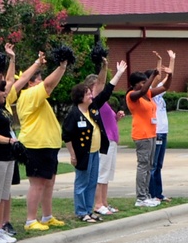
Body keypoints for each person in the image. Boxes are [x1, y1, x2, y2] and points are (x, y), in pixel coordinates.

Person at [0, 44, 38, 243]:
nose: (6, 94)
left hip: (7, 157)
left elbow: (12, 81)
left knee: (3, 195)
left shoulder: (2, 107)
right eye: (3, 92)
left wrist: (12, 59)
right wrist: (12, 141)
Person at [62, 60, 126, 223]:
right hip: (82, 153)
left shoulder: (93, 108)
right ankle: (81, 211)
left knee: (92, 182)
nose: (91, 95)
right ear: (80, 98)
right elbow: (67, 136)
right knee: (82, 182)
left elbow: (106, 91)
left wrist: (117, 73)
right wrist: (72, 154)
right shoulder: (74, 114)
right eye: (88, 94)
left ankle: (89, 210)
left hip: (95, 152)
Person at [15, 50, 69, 231]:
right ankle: (31, 220)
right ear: (29, 82)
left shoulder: (36, 97)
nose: (40, 82)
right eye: (37, 79)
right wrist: (62, 67)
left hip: (48, 144)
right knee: (37, 184)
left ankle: (47, 216)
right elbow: (48, 85)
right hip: (35, 144)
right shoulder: (28, 95)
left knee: (49, 182)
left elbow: (47, 85)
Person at [125, 62, 169, 208]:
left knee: (150, 165)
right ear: (135, 84)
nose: (146, 85)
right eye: (143, 82)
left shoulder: (148, 95)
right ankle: (141, 197)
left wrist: (170, 75)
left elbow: (165, 87)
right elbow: (144, 90)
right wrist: (152, 76)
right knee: (143, 166)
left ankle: (147, 195)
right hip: (141, 135)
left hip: (151, 133)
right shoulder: (132, 95)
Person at [91, 59, 126, 216]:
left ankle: (104, 202)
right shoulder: (94, 101)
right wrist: (113, 71)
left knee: (107, 175)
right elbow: (102, 83)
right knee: (101, 174)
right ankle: (98, 204)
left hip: (112, 140)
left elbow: (106, 119)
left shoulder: (103, 104)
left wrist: (116, 117)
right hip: (104, 142)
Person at [148, 50, 175, 202]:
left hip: (163, 132)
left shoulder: (160, 95)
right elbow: (157, 76)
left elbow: (168, 76)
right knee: (153, 166)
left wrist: (171, 60)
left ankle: (158, 193)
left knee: (158, 165)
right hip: (156, 132)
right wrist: (158, 63)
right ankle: (152, 194)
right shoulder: (151, 93)